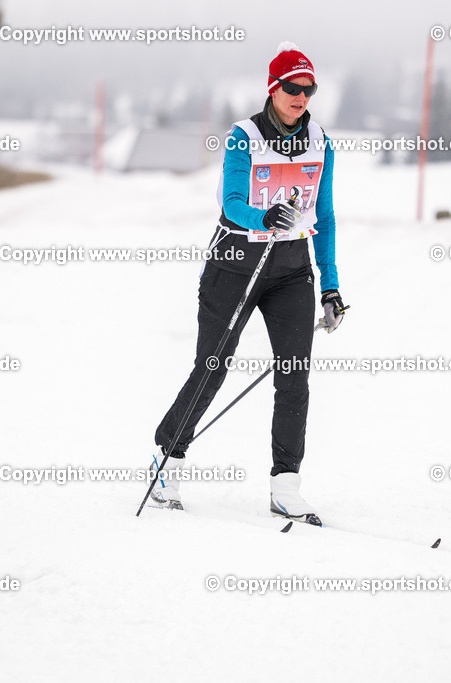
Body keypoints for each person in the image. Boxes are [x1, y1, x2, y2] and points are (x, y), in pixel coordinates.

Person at [151, 42, 347, 526]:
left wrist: (330, 286)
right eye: (292, 88)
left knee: (294, 374)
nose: (301, 97)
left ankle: (286, 485)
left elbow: (324, 216)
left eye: (309, 90)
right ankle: (167, 460)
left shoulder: (320, 142)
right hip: (235, 264)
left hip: (290, 269)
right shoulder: (244, 138)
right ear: (273, 88)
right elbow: (233, 202)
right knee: (213, 366)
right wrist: (264, 216)